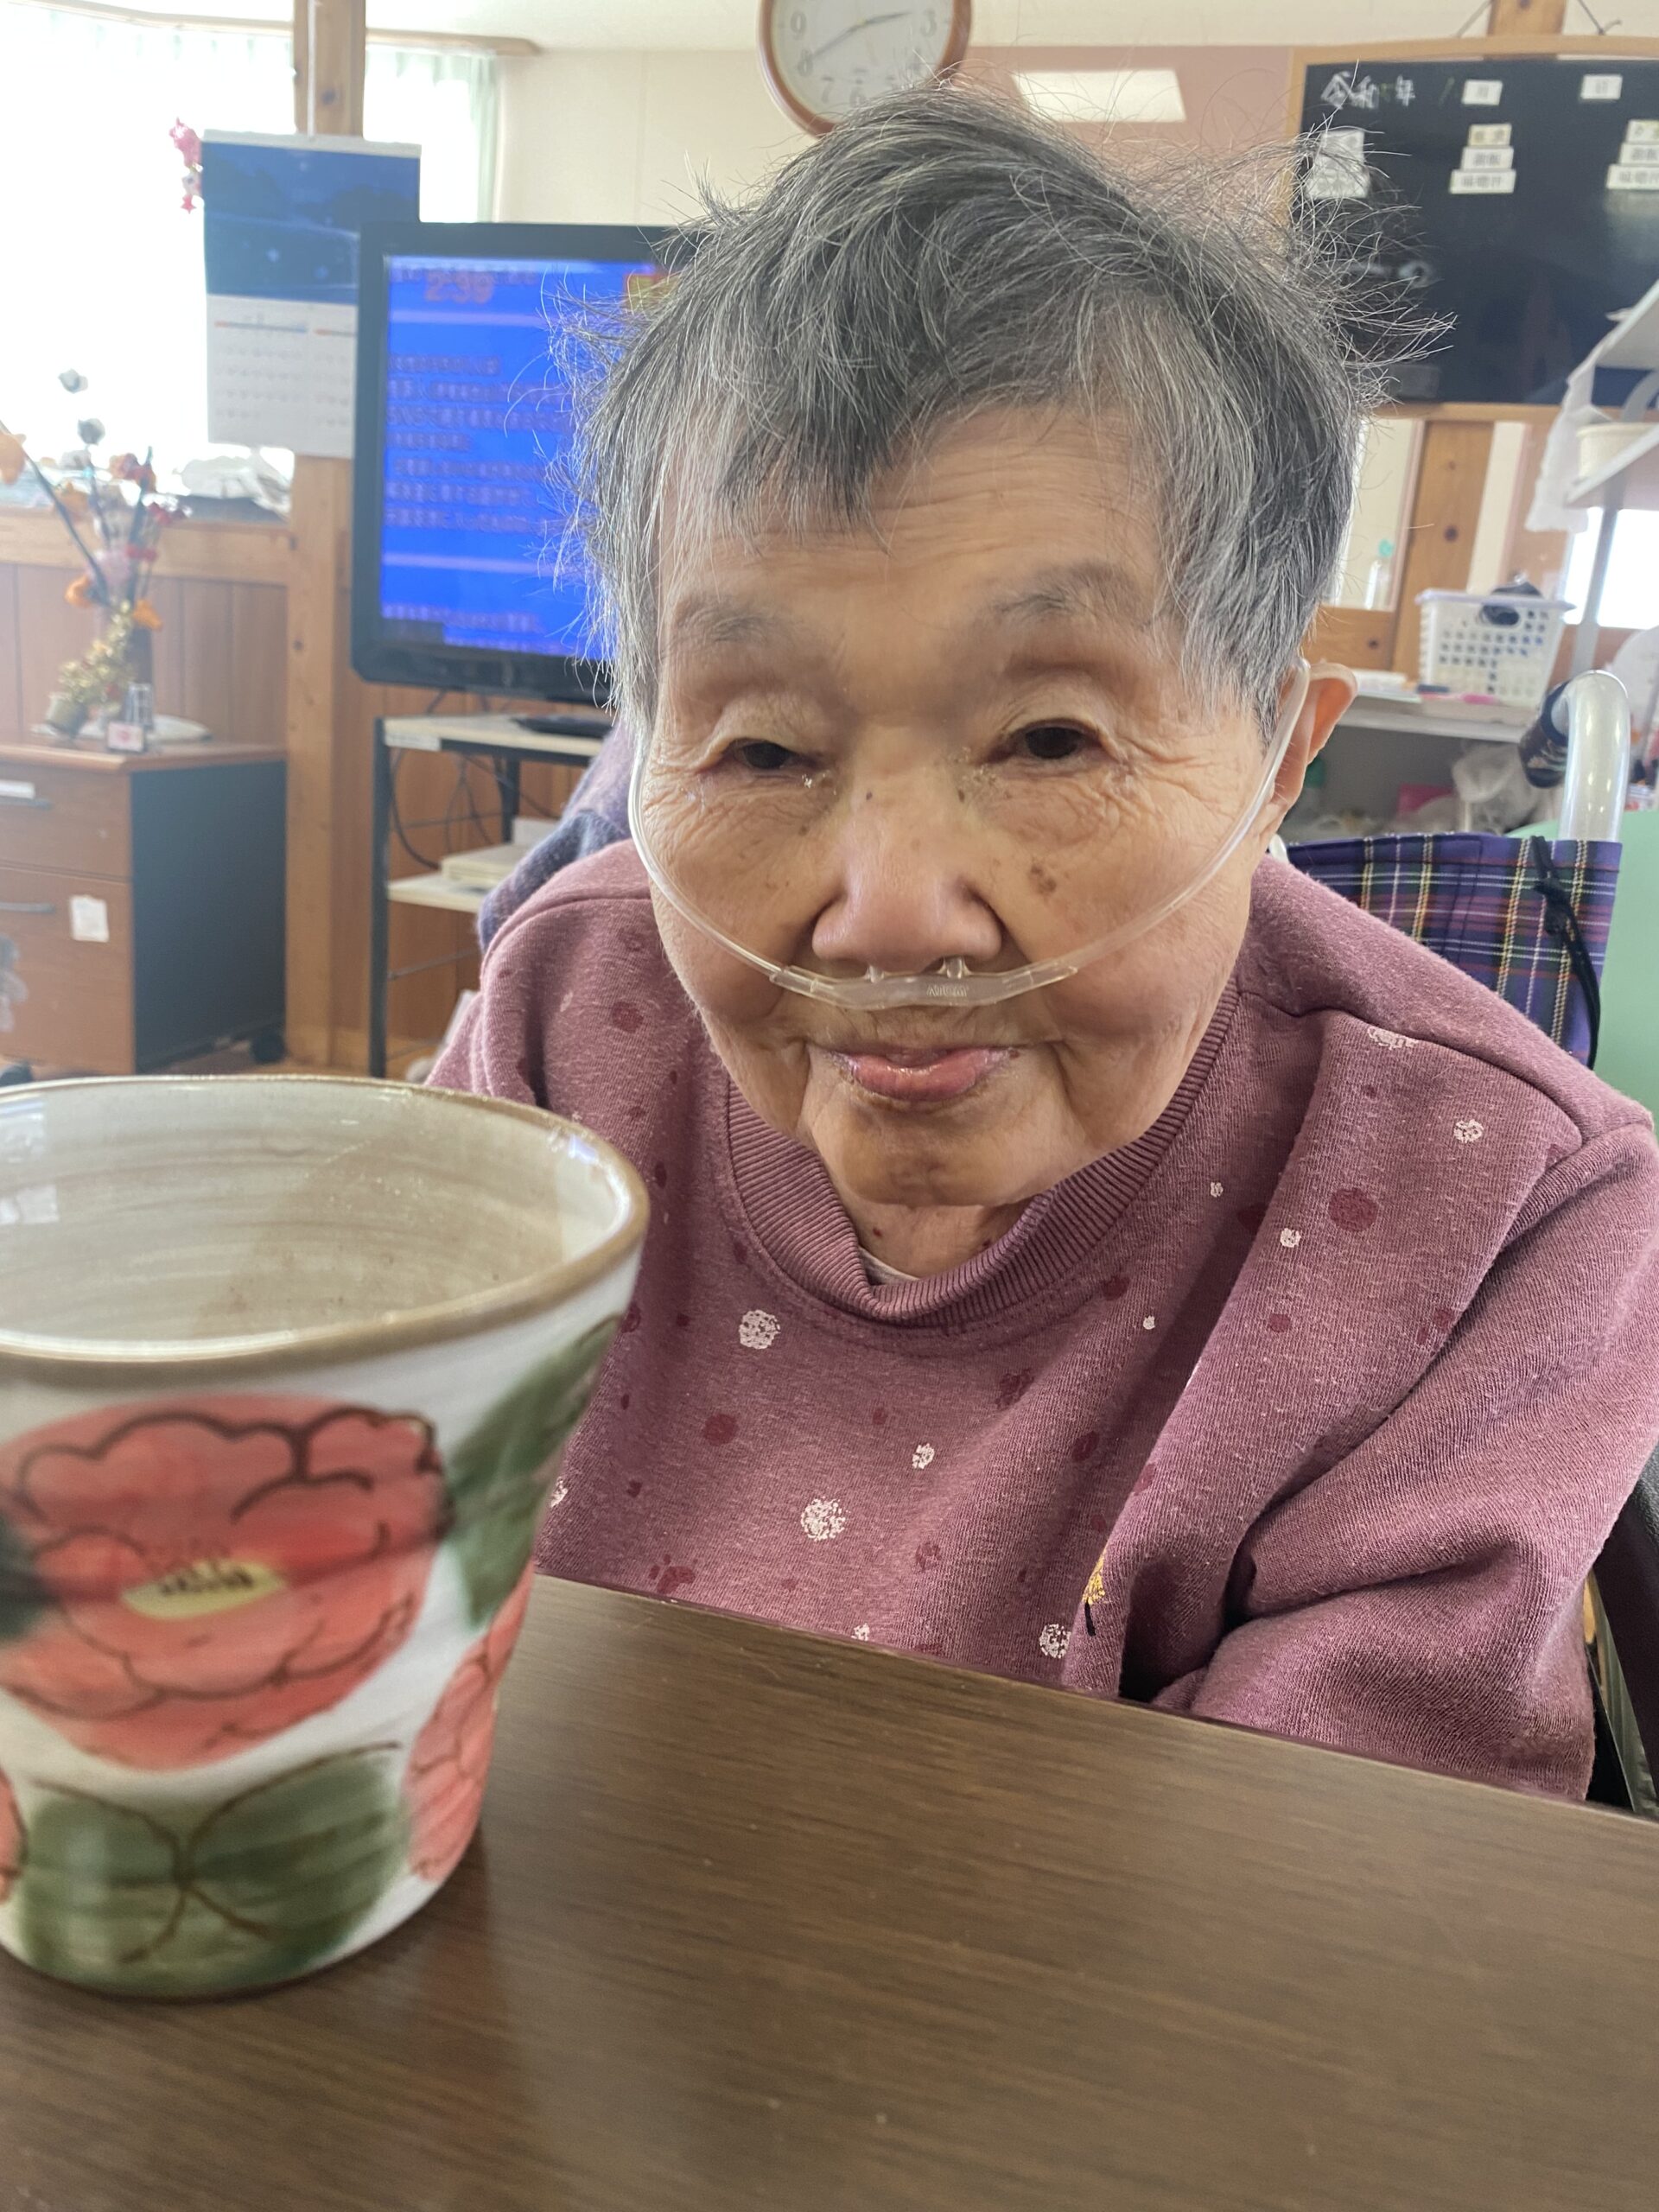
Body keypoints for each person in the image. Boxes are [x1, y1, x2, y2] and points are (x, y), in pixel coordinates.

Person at [435, 91, 1659, 1799]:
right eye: (764, 747)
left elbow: (1315, 1889)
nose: (890, 908)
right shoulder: (568, 1015)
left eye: (1052, 739)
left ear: (1279, 754)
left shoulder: (1504, 1210)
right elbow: (364, 1540)